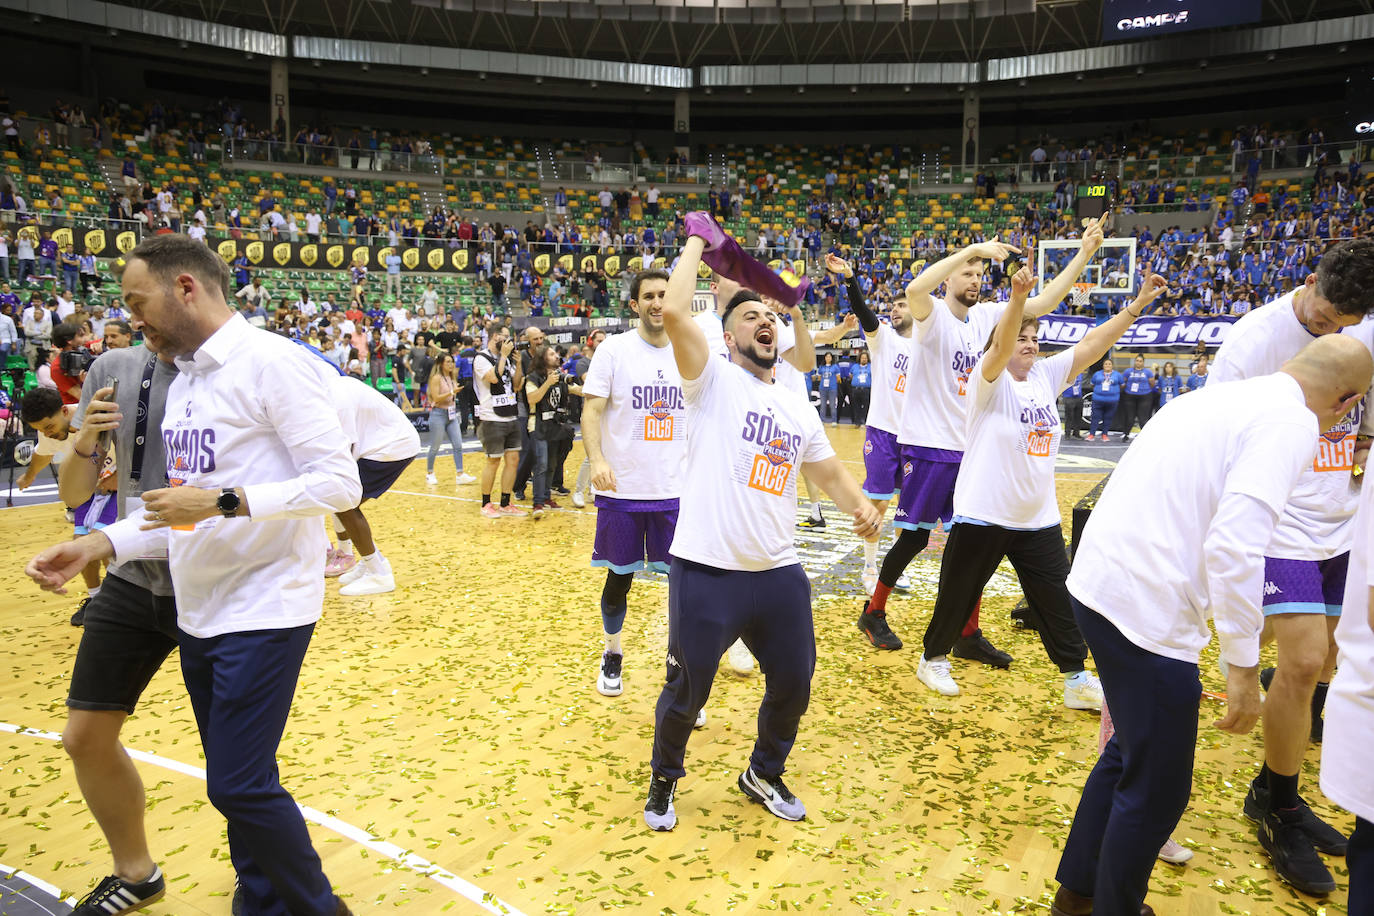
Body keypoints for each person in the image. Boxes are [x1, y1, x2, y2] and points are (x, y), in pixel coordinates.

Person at [24, 235, 361, 916]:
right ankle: (261, 902)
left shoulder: (274, 363)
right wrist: (100, 544)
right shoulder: (188, 384)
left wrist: (226, 500)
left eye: (135, 302)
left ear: (185, 289)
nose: (129, 318)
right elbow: (179, 514)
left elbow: (338, 482)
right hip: (201, 604)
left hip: (266, 605)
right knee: (241, 778)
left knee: (236, 786)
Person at [1050, 334, 1374, 916]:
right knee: (1158, 788)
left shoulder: (1217, 397)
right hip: (1146, 611)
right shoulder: (1293, 424)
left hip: (1098, 584)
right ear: (1346, 403)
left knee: (1130, 753)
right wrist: (1244, 667)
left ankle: (1079, 894)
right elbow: (1235, 547)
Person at [643, 217, 881, 832]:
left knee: (796, 682)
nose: (763, 321)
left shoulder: (794, 402)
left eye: (768, 317)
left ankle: (763, 772)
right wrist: (698, 239)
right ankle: (664, 778)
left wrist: (858, 501)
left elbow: (825, 469)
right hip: (707, 570)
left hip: (777, 571)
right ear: (725, 339)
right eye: (747, 317)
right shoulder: (710, 379)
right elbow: (672, 313)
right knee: (688, 691)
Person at [916, 270, 1167, 706]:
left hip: (1037, 518)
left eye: (1035, 338)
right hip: (984, 514)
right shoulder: (987, 382)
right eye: (1022, 337)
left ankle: (1075, 680)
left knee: (1057, 601)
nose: (1030, 344)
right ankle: (933, 658)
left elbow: (1093, 346)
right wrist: (1017, 300)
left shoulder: (1044, 377)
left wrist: (1137, 305)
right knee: (957, 593)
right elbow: (999, 345)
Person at [1209, 238, 1374, 896]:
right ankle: (1279, 808)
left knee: (1327, 663)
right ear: (1309, 282)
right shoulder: (1254, 338)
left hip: (1345, 516)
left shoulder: (1362, 328)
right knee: (1303, 662)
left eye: (1346, 326)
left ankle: (1273, 787)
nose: (1333, 332)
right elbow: (1216, 431)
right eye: (1326, 319)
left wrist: (1360, 453)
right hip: (1283, 521)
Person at [861, 218, 1108, 655]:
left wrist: (1085, 253)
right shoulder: (932, 316)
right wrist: (971, 248)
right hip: (930, 444)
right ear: (950, 275)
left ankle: (967, 634)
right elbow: (917, 289)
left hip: (970, 449)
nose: (975, 280)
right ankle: (874, 610)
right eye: (967, 273)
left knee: (972, 544)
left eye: (979, 274)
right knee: (915, 537)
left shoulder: (989, 316)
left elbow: (1046, 300)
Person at [52, 336, 180, 916]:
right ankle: (136, 872)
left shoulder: (237, 365)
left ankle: (254, 876)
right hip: (130, 574)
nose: (135, 316)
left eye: (141, 299)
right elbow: (73, 497)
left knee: (234, 760)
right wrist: (83, 442)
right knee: (84, 736)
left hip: (217, 584)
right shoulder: (114, 367)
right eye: (128, 304)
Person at [580, 269, 688, 699]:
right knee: (618, 580)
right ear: (635, 305)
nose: (658, 302)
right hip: (622, 490)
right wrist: (598, 459)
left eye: (664, 294)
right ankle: (612, 653)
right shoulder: (614, 350)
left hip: (675, 490)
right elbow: (591, 410)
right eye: (649, 296)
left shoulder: (688, 350)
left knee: (684, 586)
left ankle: (679, 669)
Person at [820, 254, 913, 597]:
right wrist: (849, 277)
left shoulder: (928, 345)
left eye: (902, 305)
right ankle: (870, 566)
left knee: (908, 511)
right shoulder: (883, 338)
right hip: (883, 432)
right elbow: (863, 311)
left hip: (916, 436)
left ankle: (895, 569)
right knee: (879, 506)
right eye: (894, 305)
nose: (895, 309)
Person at [1320, 452, 1374, 916]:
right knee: (1303, 659)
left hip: (1340, 534)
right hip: (1295, 535)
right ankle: (1276, 799)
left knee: (1316, 658)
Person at [17, 387, 105, 625]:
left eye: (48, 427)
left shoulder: (94, 417)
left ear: (65, 411)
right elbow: (42, 453)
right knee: (81, 546)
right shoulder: (49, 430)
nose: (47, 433)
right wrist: (29, 476)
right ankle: (96, 599)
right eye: (39, 430)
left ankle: (117, 599)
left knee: (105, 545)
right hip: (88, 490)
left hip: (114, 485)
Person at [328, 373, 421, 596]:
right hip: (386, 443)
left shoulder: (335, 396)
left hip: (390, 447)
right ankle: (372, 561)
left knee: (344, 502)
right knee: (338, 499)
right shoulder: (334, 385)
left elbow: (345, 449)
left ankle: (379, 574)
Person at [473, 320, 526, 517]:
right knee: (493, 460)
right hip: (491, 417)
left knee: (513, 459)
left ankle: (505, 502)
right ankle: (486, 503)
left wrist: (518, 363)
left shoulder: (509, 359)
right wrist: (503, 356)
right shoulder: (481, 358)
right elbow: (494, 378)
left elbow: (517, 384)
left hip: (510, 413)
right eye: (505, 337)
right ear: (495, 336)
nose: (508, 341)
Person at [422, 352, 476, 489]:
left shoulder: (451, 377)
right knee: (435, 446)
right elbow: (435, 398)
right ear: (441, 364)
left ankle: (460, 474)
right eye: (448, 362)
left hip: (451, 414)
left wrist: (454, 391)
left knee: (458, 445)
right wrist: (452, 392)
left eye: (452, 362)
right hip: (438, 414)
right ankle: (430, 472)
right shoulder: (436, 378)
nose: (451, 364)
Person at [1119, 355, 1155, 442]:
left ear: (1143, 362)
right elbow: (1123, 382)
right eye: (1137, 360)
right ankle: (1126, 434)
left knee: (1143, 418)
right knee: (1130, 417)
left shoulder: (1148, 372)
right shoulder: (1128, 371)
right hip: (1130, 396)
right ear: (1135, 361)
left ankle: (1145, 436)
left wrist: (1144, 390)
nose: (1138, 362)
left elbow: (1152, 384)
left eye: (1140, 361)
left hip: (1144, 396)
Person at [1087, 357, 1124, 442]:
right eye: (1106, 364)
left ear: (1112, 366)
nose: (1107, 365)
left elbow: (1122, 385)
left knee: (1108, 418)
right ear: (1103, 366)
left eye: (1109, 364)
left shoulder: (1117, 375)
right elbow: (1092, 384)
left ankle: (1104, 435)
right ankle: (1091, 434)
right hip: (1098, 400)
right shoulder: (1097, 374)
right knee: (1095, 417)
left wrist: (1114, 392)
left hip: (1112, 401)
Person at [1060, 371, 1085, 439]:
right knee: (1069, 416)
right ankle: (1067, 433)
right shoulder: (1065, 374)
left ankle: (1076, 433)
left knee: (1078, 416)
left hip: (1078, 396)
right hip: (1068, 396)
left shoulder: (1080, 373)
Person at [850, 350, 872, 426]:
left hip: (866, 390)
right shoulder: (854, 366)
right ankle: (857, 423)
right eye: (862, 358)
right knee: (856, 407)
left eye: (865, 358)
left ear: (868, 359)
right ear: (859, 358)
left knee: (867, 407)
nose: (864, 359)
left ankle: (866, 422)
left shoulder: (871, 366)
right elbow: (851, 376)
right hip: (856, 389)